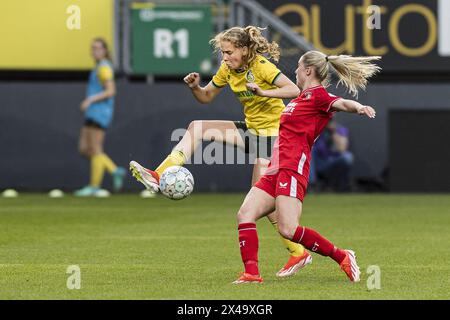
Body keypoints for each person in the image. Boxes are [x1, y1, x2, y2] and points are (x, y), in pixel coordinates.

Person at [129, 26, 312, 277]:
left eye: (229, 52)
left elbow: (295, 90)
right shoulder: (227, 69)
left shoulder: (261, 67)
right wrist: (195, 87)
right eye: (223, 53)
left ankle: (298, 253)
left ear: (245, 50)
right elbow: (206, 97)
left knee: (261, 204)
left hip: (274, 136)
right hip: (253, 131)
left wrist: (264, 90)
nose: (225, 57)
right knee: (198, 127)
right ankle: (161, 174)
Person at [233, 50, 380, 284]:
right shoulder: (300, 98)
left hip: (292, 167)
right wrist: (262, 92)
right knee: (245, 214)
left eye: (299, 67)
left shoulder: (319, 97)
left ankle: (342, 255)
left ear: (308, 70)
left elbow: (340, 102)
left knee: (288, 229)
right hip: (275, 168)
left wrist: (359, 107)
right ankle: (251, 274)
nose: (296, 71)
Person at [75, 38, 126, 197]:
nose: (94, 51)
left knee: (96, 149)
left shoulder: (104, 67)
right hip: (93, 112)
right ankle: (114, 170)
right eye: (93, 48)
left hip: (100, 112)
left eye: (98, 48)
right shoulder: (98, 66)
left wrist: (90, 100)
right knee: (84, 148)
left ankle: (94, 186)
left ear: (105, 50)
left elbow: (111, 91)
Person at [310, 120, 354, 192]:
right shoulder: (317, 130)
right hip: (320, 163)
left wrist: (334, 133)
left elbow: (342, 149)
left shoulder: (340, 130)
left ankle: (340, 185)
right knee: (311, 151)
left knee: (348, 157)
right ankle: (312, 185)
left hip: (333, 162)